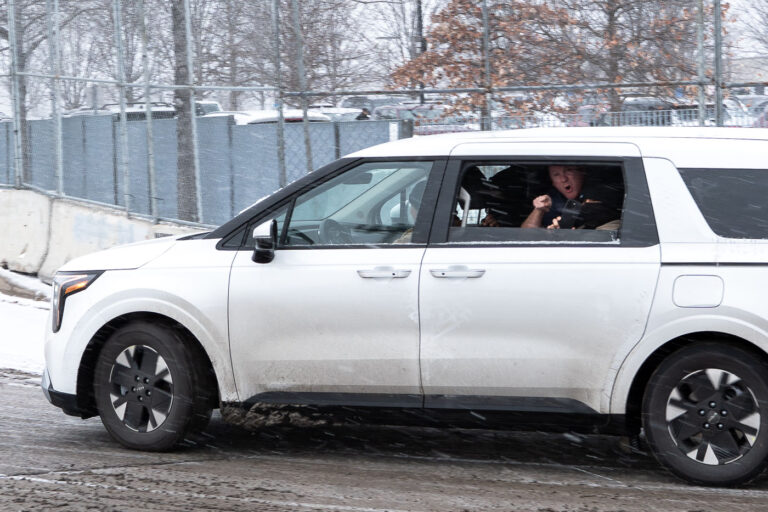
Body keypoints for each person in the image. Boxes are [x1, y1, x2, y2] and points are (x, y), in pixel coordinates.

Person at [520, 165, 621, 230]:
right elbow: (524, 238)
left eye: (568, 170)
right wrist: (538, 210)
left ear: (582, 173)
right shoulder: (551, 200)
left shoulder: (601, 191)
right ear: (553, 183)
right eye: (556, 175)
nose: (563, 179)